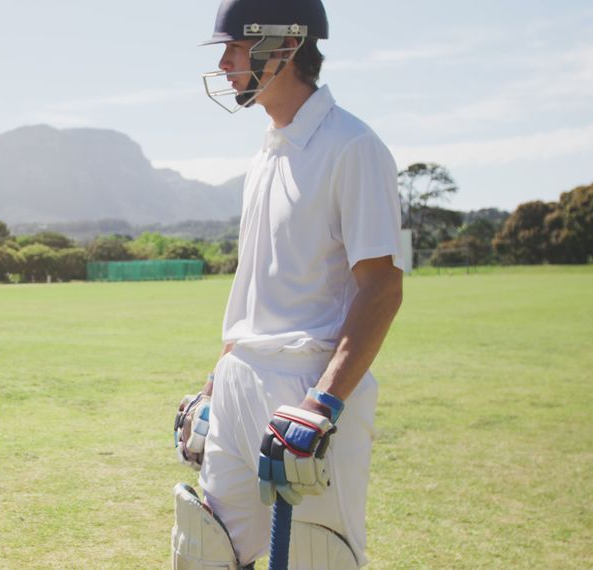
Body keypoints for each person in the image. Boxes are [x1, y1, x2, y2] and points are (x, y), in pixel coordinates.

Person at [172, 1, 405, 568]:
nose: (226, 64)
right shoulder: (266, 154)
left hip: (308, 383)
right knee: (210, 552)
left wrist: (322, 403)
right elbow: (257, 289)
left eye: (235, 47)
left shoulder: (352, 146)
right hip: (241, 379)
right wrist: (214, 385)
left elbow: (382, 287)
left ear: (283, 46)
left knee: (317, 557)